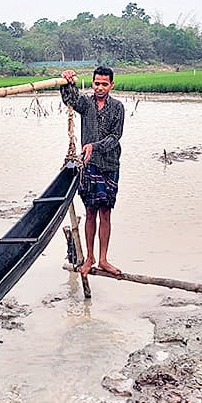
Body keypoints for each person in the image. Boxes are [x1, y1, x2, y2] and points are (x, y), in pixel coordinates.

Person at [60, 66, 124, 277]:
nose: (99, 87)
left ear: (111, 85)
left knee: (105, 212)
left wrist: (93, 146)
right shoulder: (86, 104)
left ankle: (103, 258)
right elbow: (70, 99)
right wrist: (67, 81)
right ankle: (90, 257)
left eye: (104, 84)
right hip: (89, 165)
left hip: (110, 164)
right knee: (90, 212)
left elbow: (115, 137)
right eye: (97, 83)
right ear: (92, 82)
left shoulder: (117, 108)